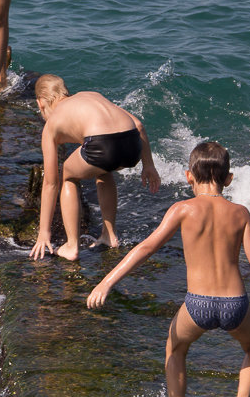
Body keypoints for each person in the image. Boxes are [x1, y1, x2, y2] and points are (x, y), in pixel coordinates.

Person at [87, 141, 250, 397]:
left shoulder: (182, 209)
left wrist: (106, 282)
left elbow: (147, 247)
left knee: (176, 348)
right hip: (236, 304)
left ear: (187, 176)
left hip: (198, 305)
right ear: (229, 179)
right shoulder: (240, 212)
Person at [29, 74, 160, 260]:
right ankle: (109, 235)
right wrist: (148, 165)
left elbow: (50, 183)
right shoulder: (90, 95)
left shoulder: (51, 124)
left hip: (103, 145)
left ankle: (71, 246)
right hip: (132, 144)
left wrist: (44, 232)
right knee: (102, 170)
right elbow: (138, 124)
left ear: (40, 103)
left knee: (67, 174)